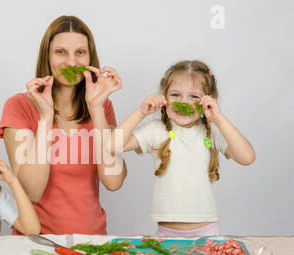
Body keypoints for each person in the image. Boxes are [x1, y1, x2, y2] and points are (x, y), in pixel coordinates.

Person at [0, 16, 127, 235]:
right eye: (60, 52)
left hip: (92, 241)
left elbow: (113, 181)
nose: (71, 63)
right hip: (37, 244)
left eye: (80, 52)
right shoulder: (18, 106)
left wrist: (95, 108)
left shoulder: (102, 107)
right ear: (46, 56)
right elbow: (31, 192)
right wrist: (46, 118)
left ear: (90, 57)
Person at [107, 60, 256, 237]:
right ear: (164, 96)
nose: (183, 102)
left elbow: (247, 157)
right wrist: (141, 112)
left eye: (194, 97)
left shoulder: (213, 131)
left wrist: (219, 118)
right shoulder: (156, 129)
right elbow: (111, 146)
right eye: (176, 95)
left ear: (207, 100)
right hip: (166, 233)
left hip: (207, 232)